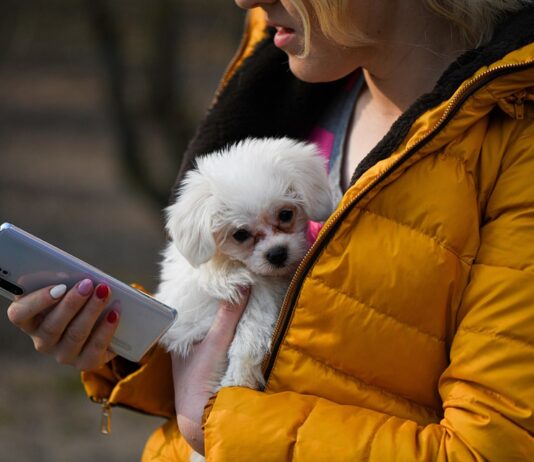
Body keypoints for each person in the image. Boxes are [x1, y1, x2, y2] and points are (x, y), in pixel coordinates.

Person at [7, 0, 534, 459]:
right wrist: (119, 347)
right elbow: (229, 334)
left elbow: (490, 448)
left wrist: (214, 424)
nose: (246, 0)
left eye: (285, 218)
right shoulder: (282, 91)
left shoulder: (514, 146)